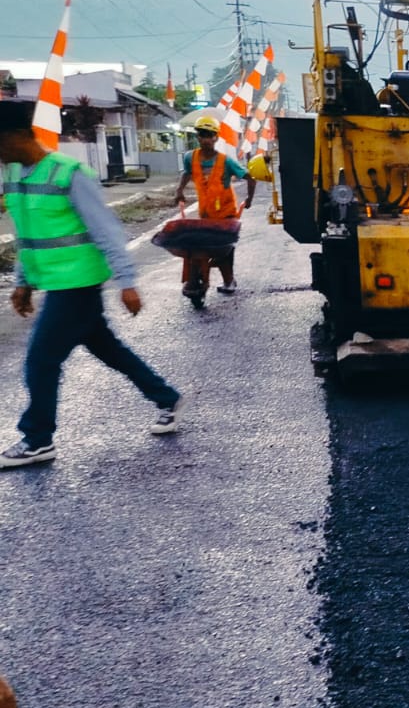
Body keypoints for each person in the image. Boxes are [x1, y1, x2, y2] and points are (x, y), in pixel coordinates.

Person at [0, 99, 183, 470]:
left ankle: (37, 439)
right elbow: (27, 236)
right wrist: (23, 282)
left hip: (78, 283)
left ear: (18, 135)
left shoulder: (69, 172)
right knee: (107, 349)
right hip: (54, 282)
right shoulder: (15, 176)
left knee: (41, 360)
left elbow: (106, 230)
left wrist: (127, 281)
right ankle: (166, 397)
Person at [174, 116, 255, 295]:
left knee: (224, 249)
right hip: (206, 215)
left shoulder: (226, 161)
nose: (206, 139)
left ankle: (229, 280)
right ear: (198, 137)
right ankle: (197, 277)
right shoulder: (190, 157)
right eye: (202, 135)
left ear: (216, 137)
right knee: (200, 247)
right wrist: (179, 190)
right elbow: (187, 173)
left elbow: (250, 177)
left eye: (210, 135)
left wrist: (249, 199)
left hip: (226, 215)